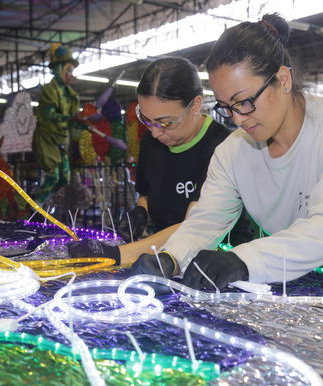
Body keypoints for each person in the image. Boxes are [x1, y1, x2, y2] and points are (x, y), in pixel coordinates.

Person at [130, 13, 323, 291]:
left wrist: (242, 260)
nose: (237, 119)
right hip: (302, 282)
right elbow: (206, 220)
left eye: (244, 102)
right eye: (226, 107)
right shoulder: (232, 152)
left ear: (283, 80)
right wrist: (170, 258)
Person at [68, 57, 253, 265]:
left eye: (165, 123)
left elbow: (196, 226)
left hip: (215, 262)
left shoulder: (221, 146)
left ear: (195, 106)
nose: (155, 133)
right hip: (159, 253)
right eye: (146, 120)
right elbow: (147, 193)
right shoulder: (151, 141)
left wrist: (118, 255)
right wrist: (141, 211)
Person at [32, 43, 80, 203]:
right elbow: (49, 114)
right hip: (47, 138)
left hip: (62, 139)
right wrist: (70, 118)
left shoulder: (70, 93)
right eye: (68, 69)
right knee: (53, 176)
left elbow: (72, 116)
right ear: (60, 69)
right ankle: (34, 208)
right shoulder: (49, 90)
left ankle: (40, 204)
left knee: (64, 178)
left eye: (72, 70)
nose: (70, 73)